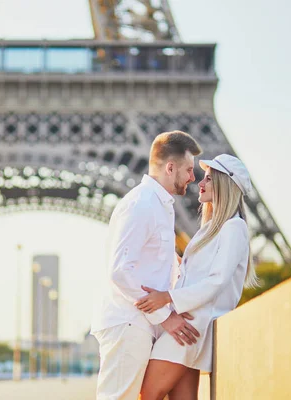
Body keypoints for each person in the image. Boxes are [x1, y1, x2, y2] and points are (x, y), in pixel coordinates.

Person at [135, 154, 259, 400]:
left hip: (191, 326)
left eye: (210, 179)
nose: (200, 183)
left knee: (148, 393)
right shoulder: (211, 229)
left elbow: (217, 280)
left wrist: (167, 297)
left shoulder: (234, 227)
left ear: (226, 185)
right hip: (189, 325)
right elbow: (198, 274)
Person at [91, 131, 202, 400]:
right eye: (189, 169)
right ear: (170, 167)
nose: (193, 177)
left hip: (138, 324)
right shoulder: (142, 203)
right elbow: (120, 271)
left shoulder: (159, 205)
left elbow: (154, 267)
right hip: (128, 323)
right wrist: (167, 317)